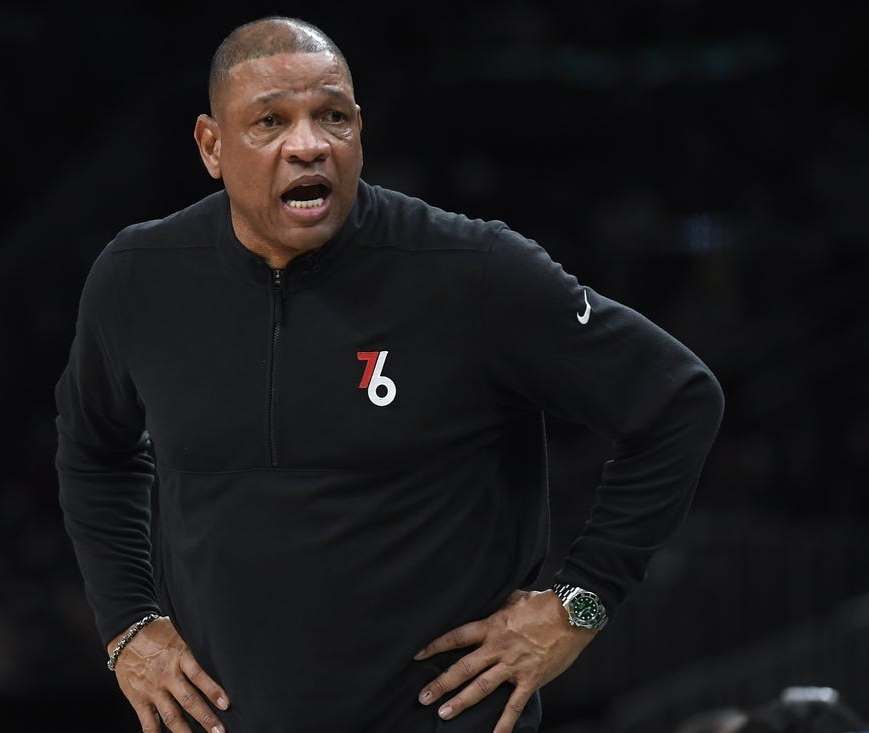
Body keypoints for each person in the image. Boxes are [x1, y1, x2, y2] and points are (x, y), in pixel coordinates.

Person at [54, 15, 724, 733]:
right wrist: (128, 623)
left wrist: (579, 602)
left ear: (360, 132)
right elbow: (96, 449)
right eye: (271, 121)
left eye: (332, 117)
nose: (308, 145)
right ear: (212, 145)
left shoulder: (472, 272)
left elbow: (679, 401)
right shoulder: (139, 278)